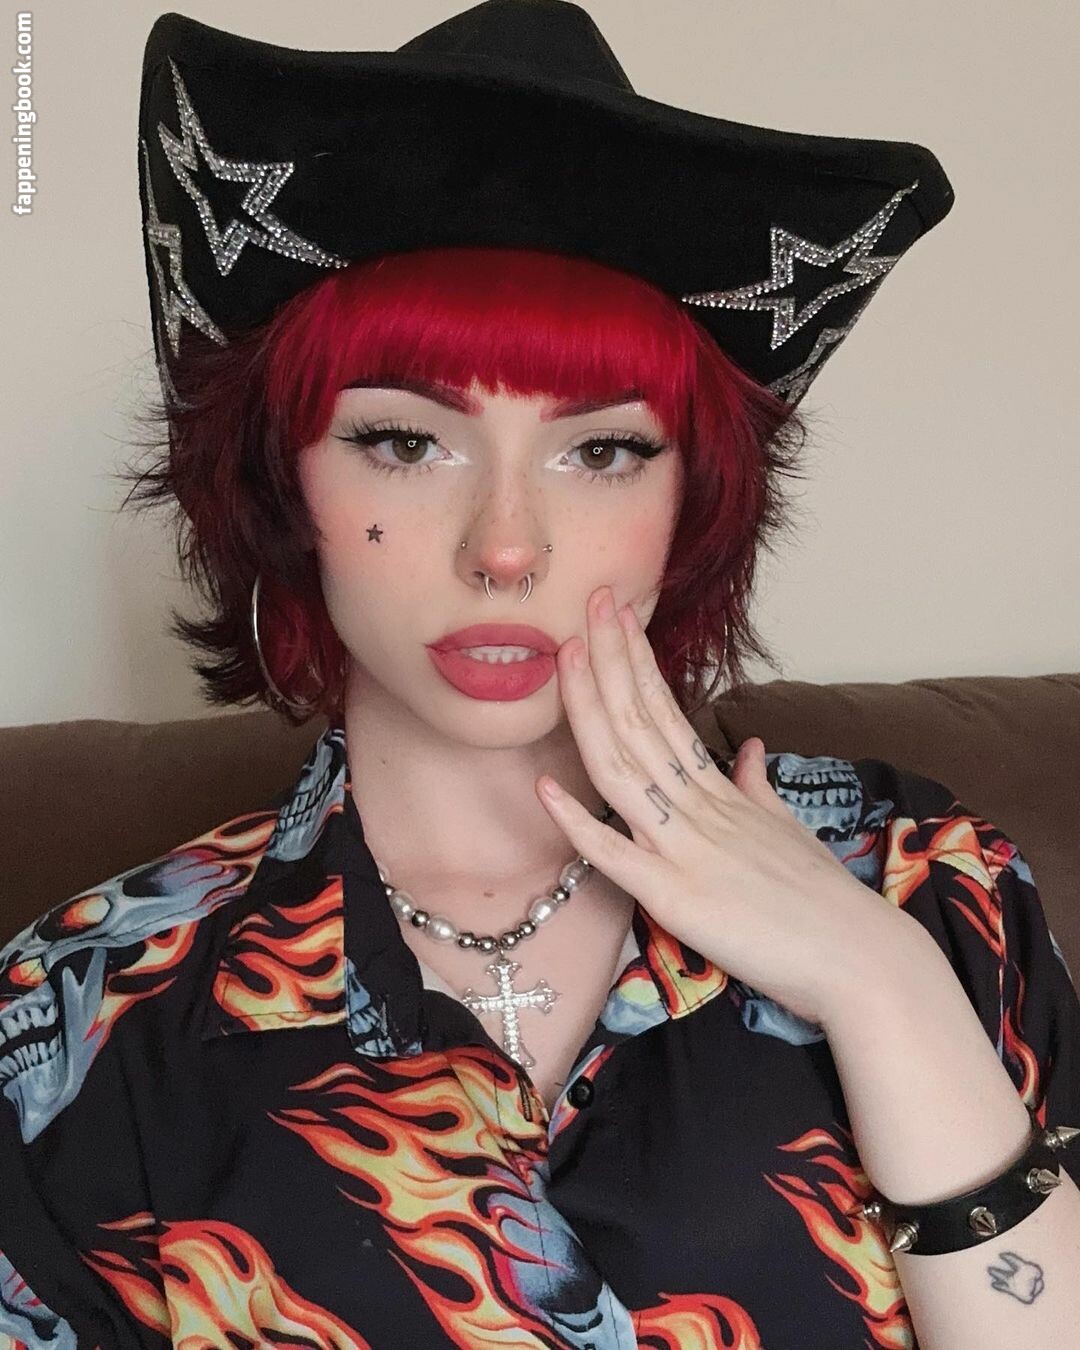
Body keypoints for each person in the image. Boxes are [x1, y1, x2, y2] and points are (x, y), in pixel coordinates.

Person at [2, 2, 1079, 1347]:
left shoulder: (932, 887)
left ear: (693, 504)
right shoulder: (81, 1021)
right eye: (405, 442)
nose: (506, 546)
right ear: (284, 482)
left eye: (604, 451)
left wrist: (879, 983)